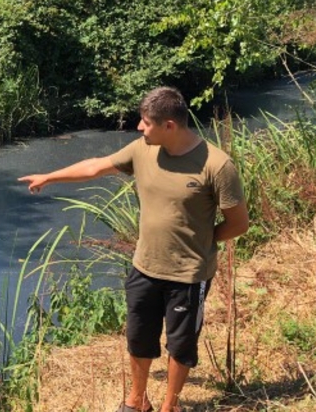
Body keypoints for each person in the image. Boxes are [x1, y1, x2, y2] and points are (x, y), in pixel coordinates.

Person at [18, 87, 249, 412]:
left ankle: (171, 405)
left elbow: (239, 224)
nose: (140, 128)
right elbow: (95, 166)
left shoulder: (217, 165)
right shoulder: (143, 150)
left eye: (145, 122)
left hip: (188, 274)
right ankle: (137, 401)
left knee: (181, 346)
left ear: (169, 125)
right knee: (139, 338)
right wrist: (49, 176)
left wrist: (201, 243)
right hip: (144, 268)